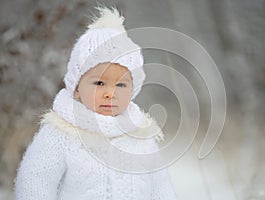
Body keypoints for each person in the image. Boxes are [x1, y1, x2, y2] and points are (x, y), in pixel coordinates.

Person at [14, 7, 177, 200]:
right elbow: (34, 183)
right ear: (76, 87)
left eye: (121, 85)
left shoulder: (140, 134)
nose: (110, 93)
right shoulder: (61, 133)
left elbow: (160, 187)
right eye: (99, 83)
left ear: (133, 89)